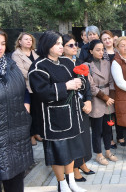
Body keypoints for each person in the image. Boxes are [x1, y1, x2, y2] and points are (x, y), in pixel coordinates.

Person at [28, 30, 88, 192]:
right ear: (47, 45)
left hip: (72, 115)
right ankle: (61, 184)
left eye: (62, 43)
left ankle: (71, 182)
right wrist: (66, 86)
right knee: (59, 152)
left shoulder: (66, 62)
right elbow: (42, 92)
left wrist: (80, 82)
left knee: (71, 151)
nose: (61, 47)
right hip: (54, 119)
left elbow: (81, 78)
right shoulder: (38, 67)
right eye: (58, 44)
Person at [0, 30, 33, 192]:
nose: (0, 47)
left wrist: (26, 106)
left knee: (15, 182)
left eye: (3, 43)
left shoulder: (10, 65)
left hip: (16, 134)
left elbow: (24, 90)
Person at [62, 34, 95, 182]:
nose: (75, 47)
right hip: (72, 107)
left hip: (84, 105)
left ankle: (82, 163)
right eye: (70, 45)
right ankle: (74, 169)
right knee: (75, 138)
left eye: (75, 44)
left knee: (84, 137)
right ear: (62, 48)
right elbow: (67, 90)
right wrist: (81, 104)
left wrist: (88, 101)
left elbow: (86, 84)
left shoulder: (80, 62)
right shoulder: (61, 66)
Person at [86, 39, 118, 165]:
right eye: (97, 50)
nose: (101, 52)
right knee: (97, 129)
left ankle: (108, 151)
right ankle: (98, 154)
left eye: (102, 49)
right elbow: (91, 86)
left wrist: (110, 97)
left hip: (108, 98)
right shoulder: (87, 65)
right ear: (91, 51)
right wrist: (105, 98)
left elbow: (111, 81)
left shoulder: (107, 63)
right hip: (96, 99)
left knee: (108, 128)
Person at [11, 32, 41, 145]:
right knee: (28, 113)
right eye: (26, 39)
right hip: (26, 87)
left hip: (38, 86)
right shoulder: (16, 55)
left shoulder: (35, 52)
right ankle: (30, 135)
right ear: (20, 41)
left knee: (37, 111)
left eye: (30, 39)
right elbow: (20, 71)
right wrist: (37, 74)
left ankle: (37, 132)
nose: (29, 41)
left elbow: (42, 66)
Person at [100, 30, 122, 149]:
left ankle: (120, 136)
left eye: (109, 38)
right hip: (107, 88)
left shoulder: (118, 51)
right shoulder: (100, 54)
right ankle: (110, 139)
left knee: (119, 112)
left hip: (120, 87)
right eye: (104, 39)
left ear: (113, 38)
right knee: (109, 114)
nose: (107, 41)